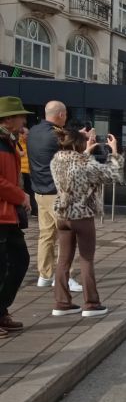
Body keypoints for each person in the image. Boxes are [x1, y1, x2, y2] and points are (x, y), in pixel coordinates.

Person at [50, 128, 123, 318]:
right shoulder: (85, 163)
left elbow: (73, 168)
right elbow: (112, 175)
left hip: (62, 214)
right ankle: (91, 304)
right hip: (82, 215)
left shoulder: (56, 159)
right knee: (86, 259)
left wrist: (86, 152)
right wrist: (114, 151)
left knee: (63, 260)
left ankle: (61, 303)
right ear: (77, 145)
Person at [28, 101, 83, 290]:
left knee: (46, 234)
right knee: (67, 235)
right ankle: (65, 277)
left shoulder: (33, 131)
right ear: (60, 114)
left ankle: (45, 275)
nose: (66, 117)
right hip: (57, 193)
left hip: (39, 191)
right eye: (65, 114)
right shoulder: (57, 135)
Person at [0, 97, 34, 336]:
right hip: (3, 212)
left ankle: (1, 310)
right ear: (8, 119)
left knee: (19, 260)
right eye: (21, 116)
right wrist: (20, 195)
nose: (24, 119)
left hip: (7, 214)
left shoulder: (9, 141)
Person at [16, 126, 37, 215]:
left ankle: (33, 210)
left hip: (28, 171)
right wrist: (18, 153)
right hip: (21, 172)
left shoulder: (29, 143)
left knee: (31, 191)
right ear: (21, 134)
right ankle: (22, 211)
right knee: (22, 191)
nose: (28, 136)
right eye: (27, 134)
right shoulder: (16, 143)